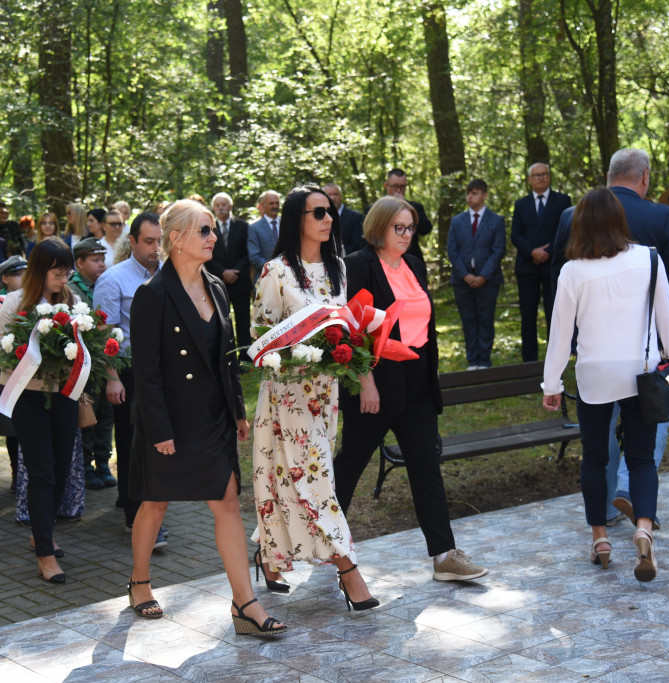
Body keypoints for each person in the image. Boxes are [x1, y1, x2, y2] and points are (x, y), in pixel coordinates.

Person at [125, 200, 286, 635]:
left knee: (228, 500)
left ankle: (244, 603)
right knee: (156, 501)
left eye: (212, 230)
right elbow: (147, 371)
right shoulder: (152, 295)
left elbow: (224, 359)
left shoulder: (216, 286)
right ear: (176, 239)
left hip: (213, 418)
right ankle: (140, 582)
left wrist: (236, 410)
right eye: (204, 231)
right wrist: (158, 429)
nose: (214, 238)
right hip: (170, 421)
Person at [335, 196, 490, 581]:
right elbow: (350, 332)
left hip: (417, 380)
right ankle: (325, 542)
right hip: (378, 379)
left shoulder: (414, 265)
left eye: (410, 228)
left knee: (425, 467)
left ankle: (444, 556)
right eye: (398, 228)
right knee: (350, 466)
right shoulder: (357, 265)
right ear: (379, 227)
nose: (406, 235)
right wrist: (365, 382)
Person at [553, 149, 669, 527]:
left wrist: (565, 351)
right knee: (648, 434)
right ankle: (633, 502)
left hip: (592, 358)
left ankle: (601, 520)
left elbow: (557, 294)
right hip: (645, 355)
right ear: (645, 177)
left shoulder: (571, 219)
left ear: (608, 175)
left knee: (596, 445)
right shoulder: (662, 220)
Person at [252, 184, 377, 612]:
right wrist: (297, 352)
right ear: (297, 219)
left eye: (330, 212)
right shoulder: (276, 272)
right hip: (287, 393)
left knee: (289, 477)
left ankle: (267, 554)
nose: (328, 219)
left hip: (326, 392)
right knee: (316, 480)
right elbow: (260, 335)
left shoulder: (338, 266)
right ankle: (348, 570)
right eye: (317, 212)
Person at [543, 187, 669, 582]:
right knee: (641, 458)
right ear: (620, 219)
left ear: (579, 225)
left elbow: (560, 335)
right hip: (643, 373)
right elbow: (666, 320)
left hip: (595, 376)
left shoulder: (572, 271)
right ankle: (643, 529)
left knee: (595, 459)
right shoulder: (649, 259)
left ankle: (600, 538)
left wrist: (552, 382)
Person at [0, 238, 84, 583]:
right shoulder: (16, 303)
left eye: (67, 272)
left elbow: (85, 344)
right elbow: (0, 354)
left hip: (63, 395)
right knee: (41, 471)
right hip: (28, 398)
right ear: (40, 271)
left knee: (61, 467)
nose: (64, 279)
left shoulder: (73, 301)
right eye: (59, 273)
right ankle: (45, 554)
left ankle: (41, 530)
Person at [92, 212, 167, 547]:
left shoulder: (171, 274)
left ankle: (142, 504)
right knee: (132, 443)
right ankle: (135, 517)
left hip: (163, 371)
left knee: (160, 441)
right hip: (128, 371)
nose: (155, 248)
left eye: (159, 241)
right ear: (132, 241)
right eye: (148, 241)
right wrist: (111, 378)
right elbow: (102, 333)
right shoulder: (113, 280)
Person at [510, 163, 572, 362]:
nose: (540, 178)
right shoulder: (521, 204)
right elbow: (515, 235)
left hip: (553, 266)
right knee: (528, 314)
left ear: (549, 176)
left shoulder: (562, 201)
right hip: (527, 267)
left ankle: (556, 357)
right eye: (536, 175)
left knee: (554, 312)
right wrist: (532, 252)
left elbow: (567, 231)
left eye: (544, 174)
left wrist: (549, 251)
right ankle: (529, 359)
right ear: (529, 180)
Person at [69, 237, 116, 491]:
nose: (101, 265)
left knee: (106, 414)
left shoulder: (107, 284)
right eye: (95, 260)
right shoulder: (71, 290)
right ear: (79, 262)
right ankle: (86, 465)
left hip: (105, 361)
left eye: (102, 259)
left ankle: (104, 462)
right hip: (83, 363)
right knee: (87, 411)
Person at [447, 179, 506, 369]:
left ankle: (484, 360)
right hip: (462, 280)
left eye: (475, 193)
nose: (470, 197)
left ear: (484, 195)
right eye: (468, 193)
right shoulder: (457, 221)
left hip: (488, 280)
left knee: (486, 319)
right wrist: (465, 275)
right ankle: (473, 360)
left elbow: (498, 250)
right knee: (468, 319)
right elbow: (452, 251)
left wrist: (483, 276)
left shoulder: (496, 220)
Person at [0, 255, 27, 492]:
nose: (23, 277)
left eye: (25, 272)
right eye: (17, 274)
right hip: (5, 371)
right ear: (5, 277)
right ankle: (16, 472)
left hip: (31, 374)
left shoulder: (32, 298)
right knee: (10, 426)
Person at [205, 192, 251, 362]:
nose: (221, 208)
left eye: (224, 205)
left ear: (231, 207)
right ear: (214, 209)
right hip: (218, 281)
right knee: (222, 323)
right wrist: (223, 272)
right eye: (218, 205)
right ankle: (227, 359)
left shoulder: (244, 226)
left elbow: (248, 254)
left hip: (240, 282)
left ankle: (245, 358)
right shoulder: (208, 229)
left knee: (243, 322)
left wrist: (235, 271)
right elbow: (207, 255)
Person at [364, 169, 434, 266]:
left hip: (411, 261)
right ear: (386, 185)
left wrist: (407, 206)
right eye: (395, 186)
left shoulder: (415, 207)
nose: (398, 190)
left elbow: (426, 229)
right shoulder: (373, 209)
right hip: (380, 262)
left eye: (402, 186)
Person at [247, 190, 281, 282]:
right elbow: (254, 257)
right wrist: (272, 269)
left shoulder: (287, 224)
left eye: (277, 203)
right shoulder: (254, 228)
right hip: (264, 278)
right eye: (271, 203)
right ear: (263, 205)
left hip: (288, 280)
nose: (275, 206)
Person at [324, 183, 365, 255]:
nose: (332, 198)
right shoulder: (319, 218)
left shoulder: (355, 217)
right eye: (329, 195)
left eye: (335, 194)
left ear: (341, 196)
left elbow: (358, 244)